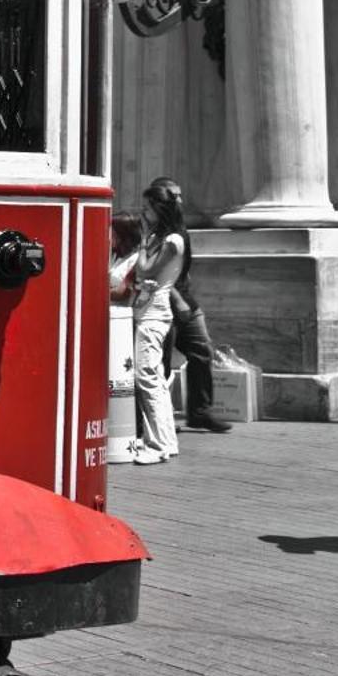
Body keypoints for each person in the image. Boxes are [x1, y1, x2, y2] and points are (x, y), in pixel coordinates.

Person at [139, 178, 234, 435]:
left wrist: (186, 295)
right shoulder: (154, 233)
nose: (181, 200)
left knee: (202, 350)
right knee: (162, 361)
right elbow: (153, 276)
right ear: (163, 202)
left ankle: (200, 412)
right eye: (175, 195)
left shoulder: (179, 231)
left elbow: (181, 271)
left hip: (184, 300)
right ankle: (159, 417)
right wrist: (178, 299)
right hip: (166, 302)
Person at [126, 180, 184, 465]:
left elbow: (146, 268)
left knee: (147, 376)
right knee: (155, 379)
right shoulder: (160, 239)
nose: (143, 213)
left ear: (159, 210)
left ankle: (157, 445)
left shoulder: (172, 241)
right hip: (147, 310)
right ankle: (166, 441)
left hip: (155, 313)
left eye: (147, 208)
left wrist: (143, 243)